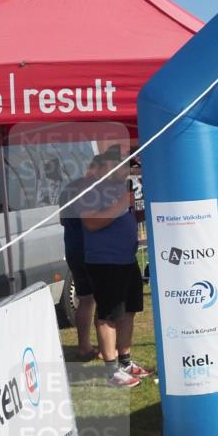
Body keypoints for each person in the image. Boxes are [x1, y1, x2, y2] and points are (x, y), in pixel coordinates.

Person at [76, 156, 152, 387]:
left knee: (129, 311)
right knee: (108, 315)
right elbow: (90, 222)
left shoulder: (120, 190)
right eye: (119, 166)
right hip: (104, 262)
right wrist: (121, 205)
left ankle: (125, 361)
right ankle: (111, 370)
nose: (125, 170)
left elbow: (123, 217)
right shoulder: (89, 190)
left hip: (126, 260)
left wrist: (138, 212)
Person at [59, 155, 108, 362]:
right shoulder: (92, 190)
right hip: (91, 251)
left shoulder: (69, 188)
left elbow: (63, 220)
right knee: (103, 300)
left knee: (86, 299)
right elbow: (95, 221)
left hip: (74, 249)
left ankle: (84, 346)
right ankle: (107, 349)